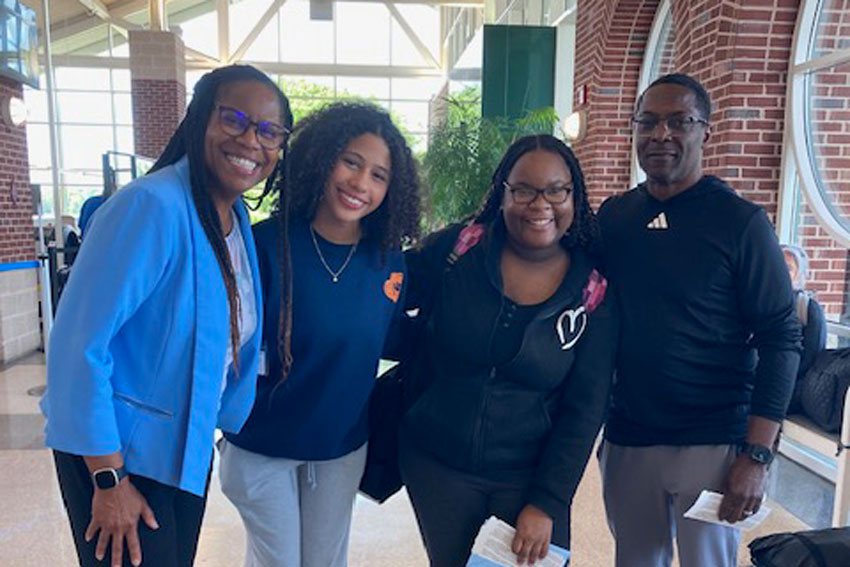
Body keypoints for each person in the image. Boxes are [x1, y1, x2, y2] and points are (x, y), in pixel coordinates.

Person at [40, 64, 292, 567]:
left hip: (182, 446)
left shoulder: (235, 220)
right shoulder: (152, 205)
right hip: (117, 455)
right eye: (234, 119)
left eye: (269, 131)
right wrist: (108, 478)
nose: (251, 140)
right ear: (199, 119)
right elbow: (79, 348)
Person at [597, 73, 802, 567]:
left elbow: (781, 337)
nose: (660, 134)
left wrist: (756, 456)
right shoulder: (614, 218)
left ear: (704, 131)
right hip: (628, 436)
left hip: (713, 441)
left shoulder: (741, 222)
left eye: (678, 121)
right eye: (647, 122)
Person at [398, 134, 617, 567]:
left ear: (574, 197)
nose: (540, 204)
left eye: (557, 190)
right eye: (523, 189)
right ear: (503, 193)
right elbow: (384, 298)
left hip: (529, 476)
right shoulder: (459, 250)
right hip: (438, 466)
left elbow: (586, 408)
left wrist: (547, 502)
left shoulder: (591, 292)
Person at [219, 101, 421, 567]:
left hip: (339, 449)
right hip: (260, 445)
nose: (360, 184)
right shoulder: (265, 245)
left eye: (378, 175)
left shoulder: (387, 261)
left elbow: (390, 339)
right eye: (351, 162)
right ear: (322, 158)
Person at [781, 244, 827, 387]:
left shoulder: (809, 309)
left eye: (788, 268)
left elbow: (812, 358)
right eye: (778, 264)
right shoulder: (755, 302)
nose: (781, 271)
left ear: (798, 275)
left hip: (793, 387)